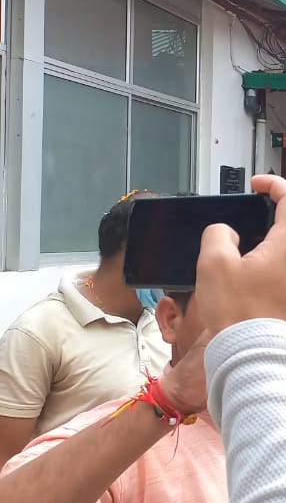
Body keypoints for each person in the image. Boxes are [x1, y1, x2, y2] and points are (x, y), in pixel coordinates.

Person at [0, 174, 286, 503]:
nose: (257, 324)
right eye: (230, 305)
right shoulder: (119, 452)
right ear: (170, 319)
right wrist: (167, 401)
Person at [0, 192, 170, 465]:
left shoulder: (170, 322)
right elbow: (7, 459)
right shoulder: (38, 331)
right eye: (173, 252)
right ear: (137, 252)